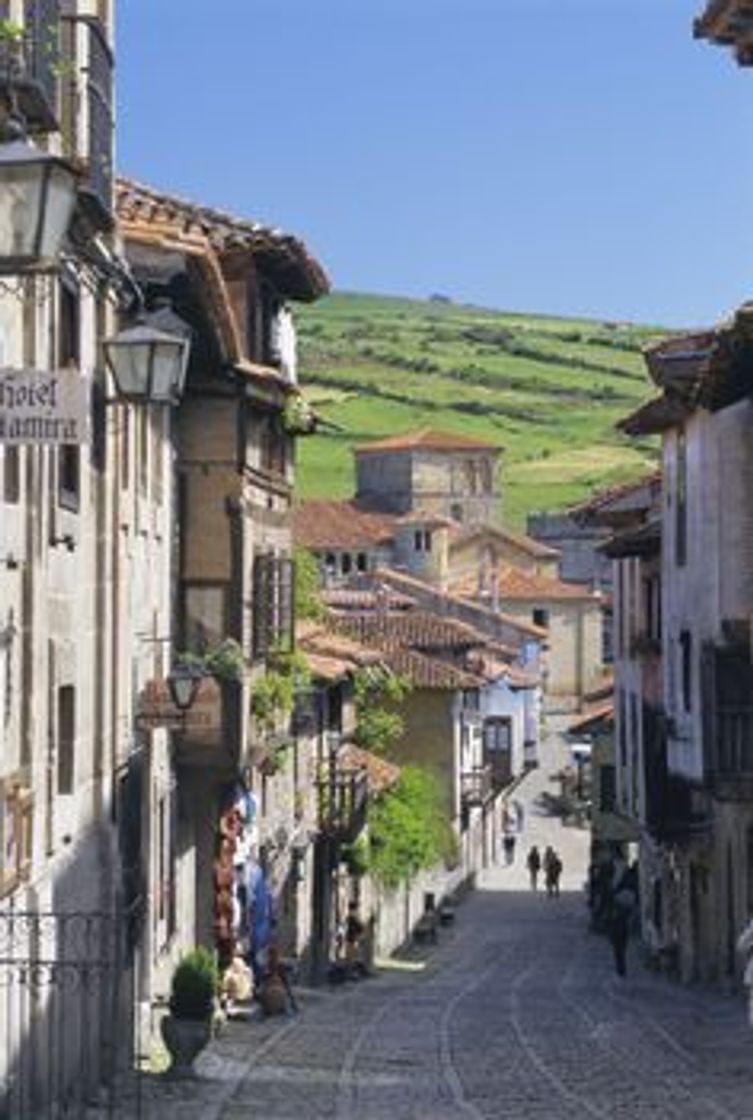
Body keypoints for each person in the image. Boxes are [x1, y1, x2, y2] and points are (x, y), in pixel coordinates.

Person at [608, 861, 638, 976]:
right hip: (622, 924)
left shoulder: (619, 890)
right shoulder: (629, 885)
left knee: (618, 948)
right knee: (620, 947)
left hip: (618, 924)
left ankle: (621, 967)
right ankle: (621, 967)